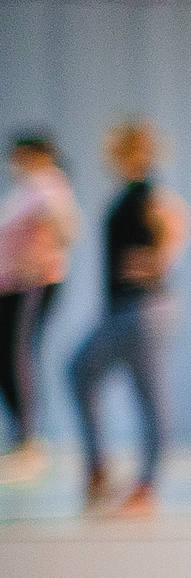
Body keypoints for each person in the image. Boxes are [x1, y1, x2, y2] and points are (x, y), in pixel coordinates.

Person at [70, 118, 191, 517]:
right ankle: (104, 470)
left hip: (144, 309)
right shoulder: (128, 196)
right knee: (83, 373)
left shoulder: (152, 198)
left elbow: (175, 232)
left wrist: (158, 263)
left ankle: (143, 485)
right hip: (125, 308)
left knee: (148, 397)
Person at [0, 130, 78, 484]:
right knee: (7, 356)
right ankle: (22, 439)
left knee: (18, 354)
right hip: (11, 287)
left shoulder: (49, 185)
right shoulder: (28, 189)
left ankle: (30, 441)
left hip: (30, 285)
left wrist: (41, 258)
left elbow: (65, 231)